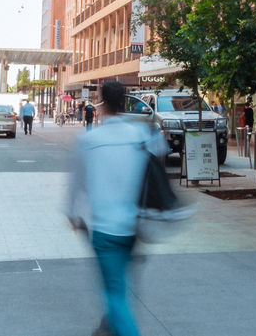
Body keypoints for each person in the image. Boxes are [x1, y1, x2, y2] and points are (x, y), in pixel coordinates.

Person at [66, 80, 166, 336]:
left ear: (101, 103)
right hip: (133, 227)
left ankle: (119, 327)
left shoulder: (89, 140)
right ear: (124, 102)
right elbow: (161, 151)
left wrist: (73, 216)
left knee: (114, 294)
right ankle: (109, 327)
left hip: (104, 230)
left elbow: (75, 185)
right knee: (119, 286)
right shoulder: (140, 135)